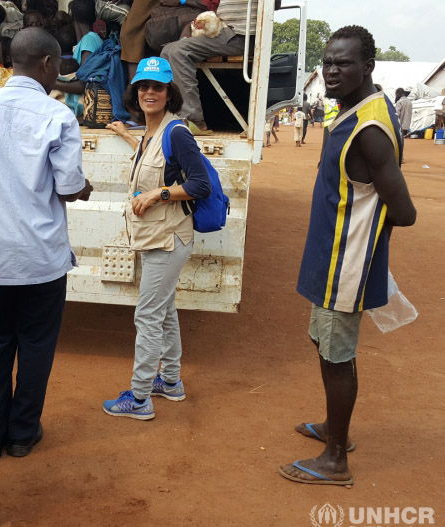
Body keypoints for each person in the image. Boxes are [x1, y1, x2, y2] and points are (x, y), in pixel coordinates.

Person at [279, 25, 416, 486]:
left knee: (337, 353)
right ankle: (334, 429)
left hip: (345, 263)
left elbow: (405, 211)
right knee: (325, 343)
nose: (332, 71)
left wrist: (365, 240)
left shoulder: (370, 129)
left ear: (368, 67)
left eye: (344, 63)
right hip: (331, 257)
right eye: (328, 62)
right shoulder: (353, 110)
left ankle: (336, 459)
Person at [0, 27, 93, 461]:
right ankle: (22, 435)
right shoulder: (59, 116)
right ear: (48, 64)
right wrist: (83, 188)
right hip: (40, 261)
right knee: (36, 348)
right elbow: (68, 188)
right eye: (59, 66)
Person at [102, 57, 210, 420]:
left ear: (169, 93)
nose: (150, 92)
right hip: (156, 237)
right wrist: (125, 134)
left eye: (158, 87)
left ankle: (140, 396)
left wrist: (158, 194)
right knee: (163, 311)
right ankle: (172, 382)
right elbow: (152, 158)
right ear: (135, 92)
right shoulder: (152, 131)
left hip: (169, 238)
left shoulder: (177, 131)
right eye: (144, 86)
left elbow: (200, 184)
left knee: (147, 315)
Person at [161, 0, 281, 135]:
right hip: (226, 31)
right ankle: (174, 113)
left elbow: (275, 4)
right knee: (167, 50)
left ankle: (192, 118)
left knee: (177, 52)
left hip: (240, 35)